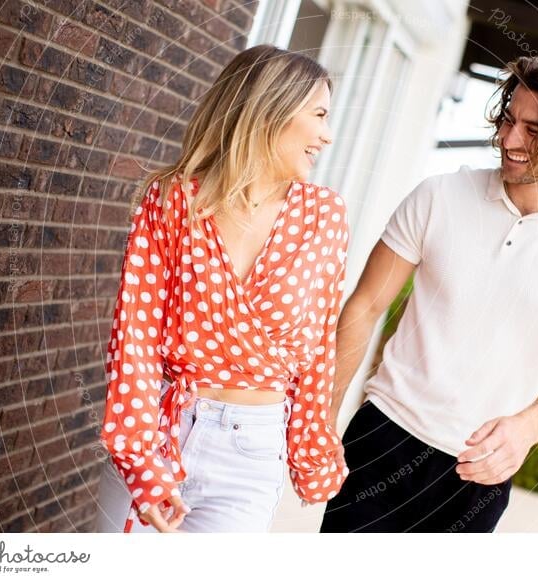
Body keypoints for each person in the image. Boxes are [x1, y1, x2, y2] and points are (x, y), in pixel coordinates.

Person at [320, 55, 538, 533]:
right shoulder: (438, 196)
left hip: (479, 474)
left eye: (534, 129)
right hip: (382, 437)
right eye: (509, 120)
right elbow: (365, 305)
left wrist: (526, 430)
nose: (509, 140)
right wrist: (321, 417)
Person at [94, 44, 349, 533]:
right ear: (271, 108)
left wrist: (311, 450)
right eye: (318, 115)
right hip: (161, 433)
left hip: (249, 454)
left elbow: (319, 346)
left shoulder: (325, 216)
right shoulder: (171, 201)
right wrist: (142, 465)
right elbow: (135, 341)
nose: (327, 135)